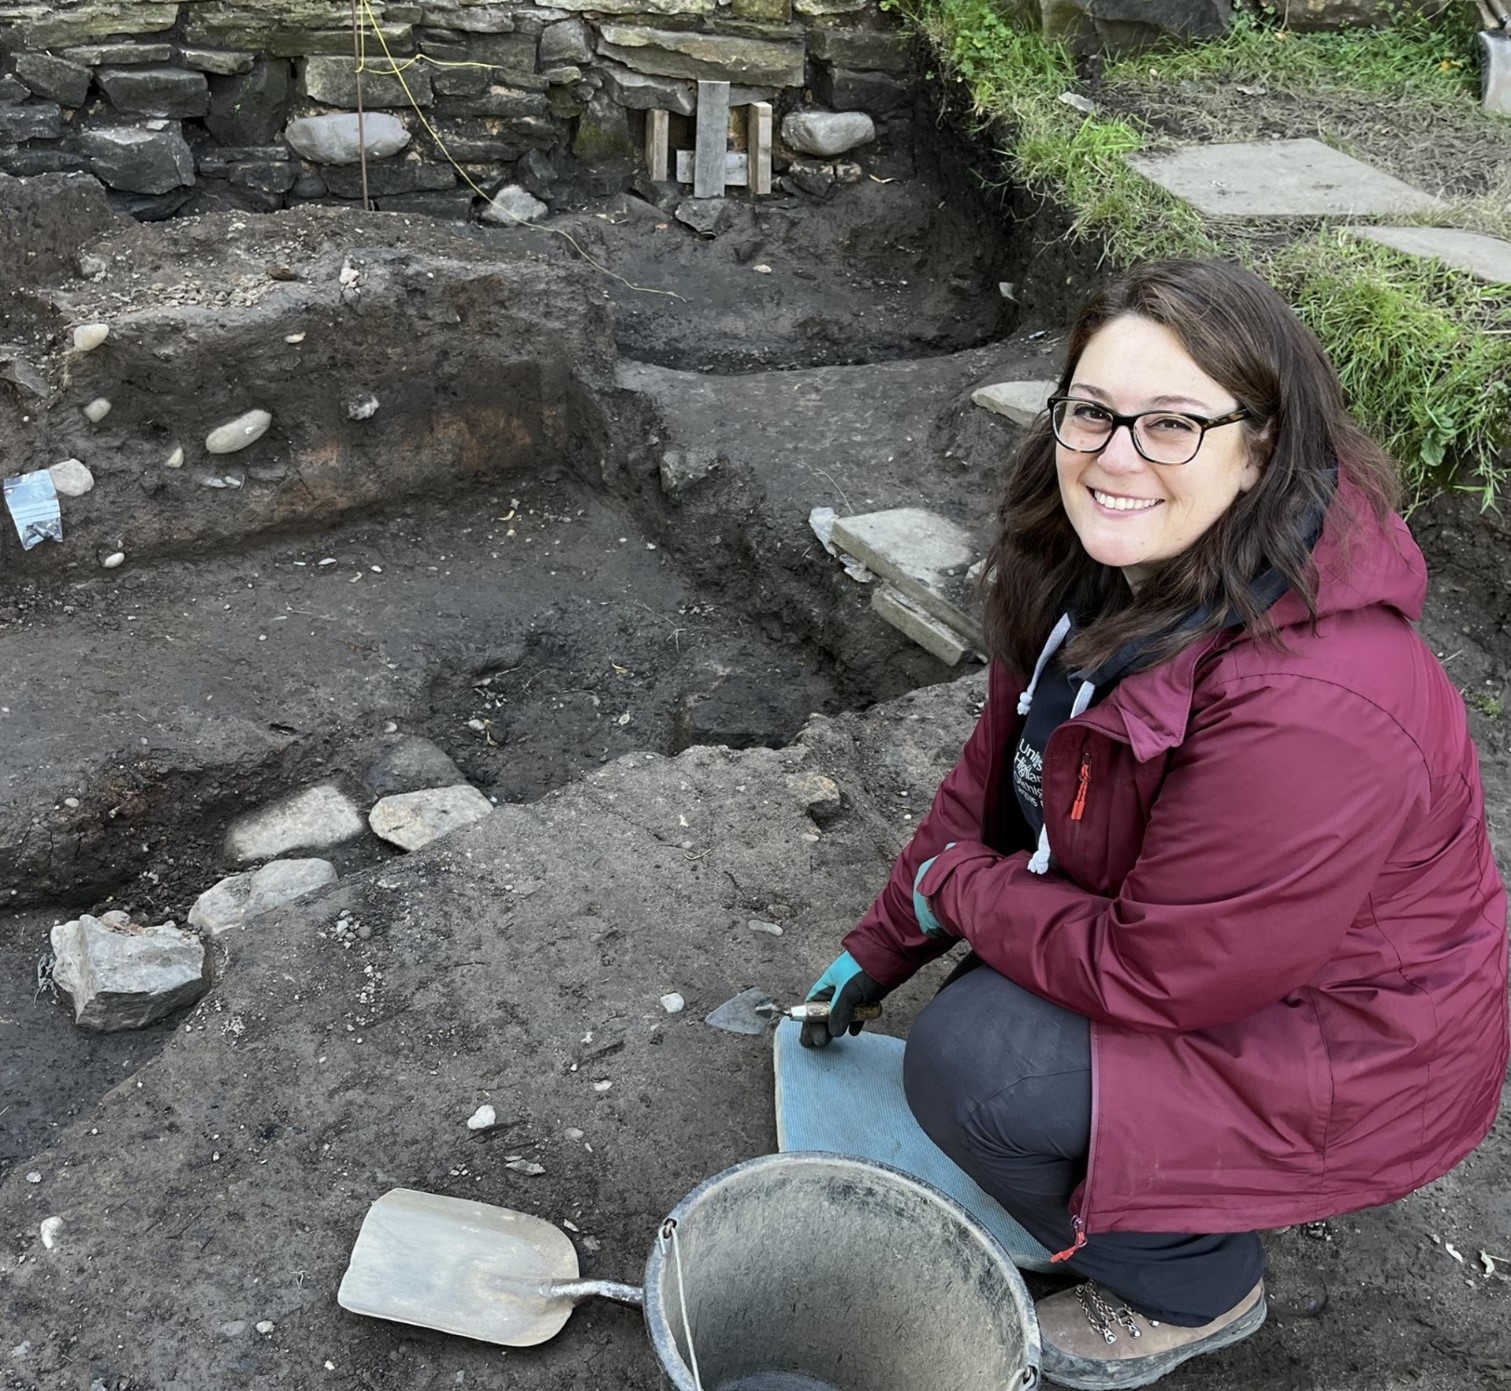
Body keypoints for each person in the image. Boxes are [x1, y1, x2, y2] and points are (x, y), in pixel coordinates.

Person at [801, 259, 1510, 1391]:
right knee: (991, 1009)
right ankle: (1134, 1181)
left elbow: (1164, 968)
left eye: (1171, 424)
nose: (1114, 455)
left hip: (1357, 1048)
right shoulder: (1096, 571)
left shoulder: (1314, 697)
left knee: (978, 1066)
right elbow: (1002, 773)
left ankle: (1193, 1286)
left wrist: (959, 889)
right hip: (1240, 965)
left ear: (1262, 446)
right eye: (1092, 411)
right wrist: (887, 935)